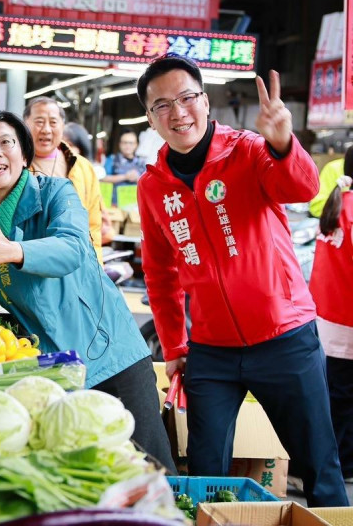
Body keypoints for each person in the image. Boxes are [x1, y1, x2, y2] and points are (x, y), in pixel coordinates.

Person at [0, 110, 177, 472]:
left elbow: (71, 248)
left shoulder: (58, 192)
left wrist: (15, 250)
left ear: (23, 156)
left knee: (151, 469)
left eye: (6, 142)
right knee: (85, 472)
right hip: (57, 369)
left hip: (111, 355)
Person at [136, 54, 348, 506]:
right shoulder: (152, 185)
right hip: (211, 352)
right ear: (150, 119)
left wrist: (284, 143)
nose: (178, 113)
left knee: (319, 466)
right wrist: (174, 346)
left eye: (187, 98)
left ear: (205, 102)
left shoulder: (249, 150)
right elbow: (159, 272)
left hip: (285, 337)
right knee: (205, 470)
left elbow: (303, 189)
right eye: (162, 105)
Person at [0, 97, 104, 263]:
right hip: (14, 264)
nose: (46, 129)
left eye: (53, 122)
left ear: (63, 125)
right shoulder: (7, 162)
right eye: (39, 122)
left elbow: (94, 224)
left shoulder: (82, 167)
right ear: (25, 125)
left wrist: (97, 264)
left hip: (71, 261)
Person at [309, 145, 353, 483]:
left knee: (337, 395)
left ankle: (336, 462)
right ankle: (343, 466)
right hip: (347, 321)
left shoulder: (337, 205)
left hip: (330, 320)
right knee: (344, 398)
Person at [102, 129, 147, 206]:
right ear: (120, 144)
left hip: (136, 205)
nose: (128, 146)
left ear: (136, 144)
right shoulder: (112, 160)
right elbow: (103, 178)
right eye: (125, 142)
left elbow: (148, 183)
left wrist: (137, 179)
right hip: (115, 205)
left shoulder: (142, 162)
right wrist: (125, 177)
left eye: (131, 143)